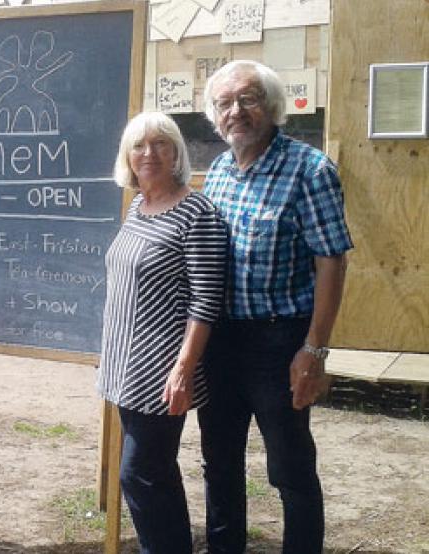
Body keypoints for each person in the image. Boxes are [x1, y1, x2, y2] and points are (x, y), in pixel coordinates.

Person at [198, 60, 352, 553]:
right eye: (224, 103)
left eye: (248, 99)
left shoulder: (310, 169)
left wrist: (315, 350)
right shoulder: (219, 170)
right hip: (220, 341)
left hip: (279, 341)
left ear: (272, 105)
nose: (236, 112)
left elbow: (332, 262)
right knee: (219, 461)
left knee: (289, 466)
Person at [97, 111, 228, 553]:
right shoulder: (139, 205)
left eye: (160, 144)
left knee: (139, 474)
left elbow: (206, 301)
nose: (148, 153)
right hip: (124, 367)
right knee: (157, 472)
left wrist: (183, 370)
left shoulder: (197, 212)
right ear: (127, 156)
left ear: (177, 154)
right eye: (139, 145)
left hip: (161, 371)